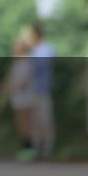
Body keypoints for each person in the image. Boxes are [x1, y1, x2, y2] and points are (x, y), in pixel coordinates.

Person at [0, 34, 35, 161]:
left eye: (16, 47)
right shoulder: (17, 64)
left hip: (26, 99)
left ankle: (29, 150)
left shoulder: (27, 63)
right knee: (21, 126)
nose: (14, 49)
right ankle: (25, 149)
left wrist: (8, 87)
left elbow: (22, 84)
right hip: (17, 99)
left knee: (26, 125)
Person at [28, 21, 56, 158]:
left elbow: (39, 67)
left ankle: (48, 147)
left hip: (42, 89)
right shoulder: (33, 50)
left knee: (45, 119)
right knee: (34, 120)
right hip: (32, 89)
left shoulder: (46, 50)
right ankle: (36, 147)